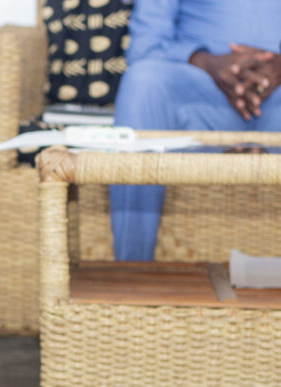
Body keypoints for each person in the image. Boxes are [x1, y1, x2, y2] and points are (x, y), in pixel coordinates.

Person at [110, 0, 281, 261]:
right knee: (143, 83)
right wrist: (205, 61)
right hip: (201, 96)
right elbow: (145, 46)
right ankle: (130, 273)